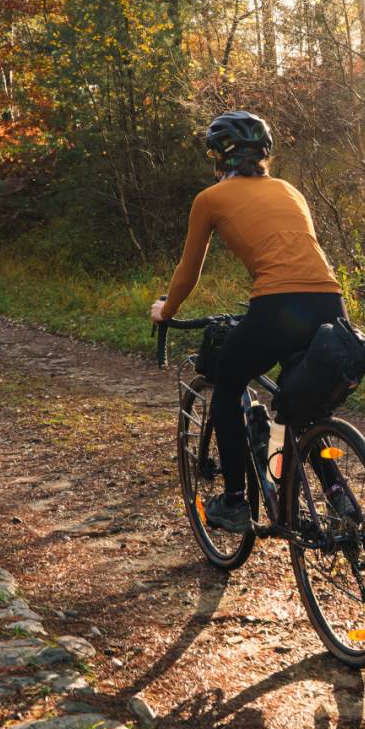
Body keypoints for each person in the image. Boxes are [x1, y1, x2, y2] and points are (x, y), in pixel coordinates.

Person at [150, 110, 346, 533]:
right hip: (331, 304)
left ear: (218, 159)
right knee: (303, 402)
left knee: (227, 381)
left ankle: (236, 501)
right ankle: (337, 495)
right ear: (264, 155)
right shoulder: (291, 191)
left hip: (276, 307)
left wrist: (166, 311)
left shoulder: (210, 199)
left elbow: (189, 272)